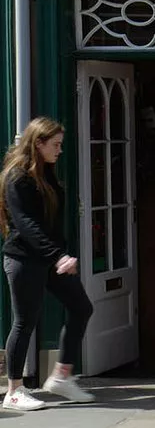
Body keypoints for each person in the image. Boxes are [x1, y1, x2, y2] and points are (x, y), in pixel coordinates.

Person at [1, 118, 96, 412]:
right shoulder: (17, 178)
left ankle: (61, 377)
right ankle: (14, 390)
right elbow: (26, 225)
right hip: (24, 259)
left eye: (61, 144)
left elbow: (51, 222)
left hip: (50, 258)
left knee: (81, 307)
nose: (60, 150)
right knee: (24, 321)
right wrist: (58, 256)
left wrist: (60, 254)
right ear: (37, 143)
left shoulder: (47, 173)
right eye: (55, 144)